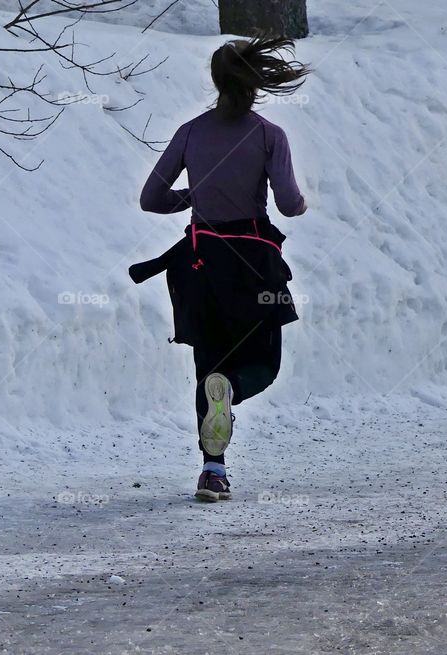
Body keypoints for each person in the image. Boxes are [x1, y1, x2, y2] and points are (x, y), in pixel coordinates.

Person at [136, 36, 311, 502]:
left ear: (215, 81)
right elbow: (290, 204)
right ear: (255, 83)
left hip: (200, 262)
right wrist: (302, 202)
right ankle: (230, 391)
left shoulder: (191, 132)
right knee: (262, 365)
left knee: (208, 366)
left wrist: (194, 197)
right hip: (253, 264)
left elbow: (151, 200)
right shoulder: (269, 135)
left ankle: (213, 471)